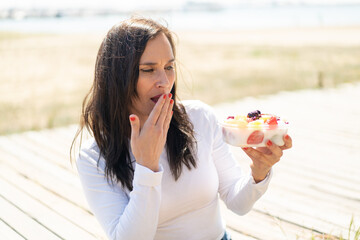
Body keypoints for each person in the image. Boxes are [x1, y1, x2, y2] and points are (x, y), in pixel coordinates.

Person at [72, 17, 292, 240]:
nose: (165, 81)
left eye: (169, 67)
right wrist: (146, 167)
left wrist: (259, 172)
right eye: (148, 69)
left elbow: (238, 203)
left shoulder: (199, 118)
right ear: (117, 78)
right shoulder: (94, 158)